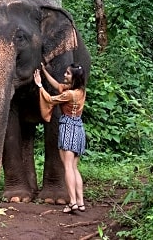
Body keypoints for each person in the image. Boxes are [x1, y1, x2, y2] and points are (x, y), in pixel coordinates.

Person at [34, 62, 87, 213]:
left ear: (74, 77)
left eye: (68, 73)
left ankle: (73, 202)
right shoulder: (80, 92)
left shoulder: (68, 95)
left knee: (68, 167)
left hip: (68, 128)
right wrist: (45, 72)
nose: (65, 75)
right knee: (75, 168)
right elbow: (58, 85)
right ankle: (81, 202)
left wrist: (39, 85)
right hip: (79, 128)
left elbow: (50, 100)